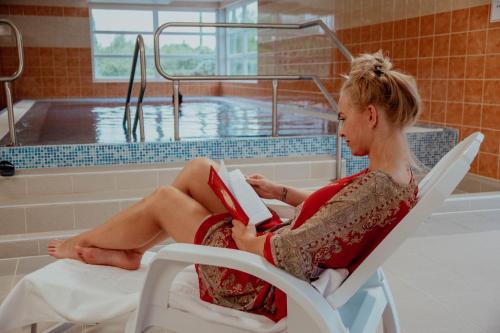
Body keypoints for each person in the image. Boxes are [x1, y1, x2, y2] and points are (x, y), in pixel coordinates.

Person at [48, 51, 421, 322]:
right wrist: (279, 192)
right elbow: (339, 213)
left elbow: (293, 254)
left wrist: (246, 241)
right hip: (274, 244)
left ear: (370, 115)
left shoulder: (376, 189)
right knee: (200, 169)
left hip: (258, 278)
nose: (340, 129)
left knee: (165, 199)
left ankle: (81, 242)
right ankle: (134, 250)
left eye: (343, 118)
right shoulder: (396, 177)